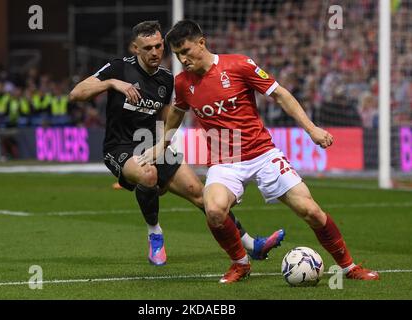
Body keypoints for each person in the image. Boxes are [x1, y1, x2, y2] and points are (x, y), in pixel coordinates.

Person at [140, 19, 379, 283]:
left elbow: (280, 95)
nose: (182, 59)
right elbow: (177, 113)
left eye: (185, 51)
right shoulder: (183, 83)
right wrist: (161, 145)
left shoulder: (239, 64)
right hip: (224, 161)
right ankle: (240, 263)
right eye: (177, 55)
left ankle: (349, 267)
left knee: (310, 210)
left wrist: (312, 129)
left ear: (201, 43)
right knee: (215, 210)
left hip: (262, 153)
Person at [69, 21, 284, 267]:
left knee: (202, 195)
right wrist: (112, 83)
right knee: (148, 174)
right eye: (147, 48)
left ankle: (250, 245)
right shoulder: (119, 69)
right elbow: (76, 94)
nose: (155, 52)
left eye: (159, 46)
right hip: (119, 147)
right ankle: (155, 234)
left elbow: (168, 116)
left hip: (152, 145)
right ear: (135, 49)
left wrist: (164, 145)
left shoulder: (167, 79)